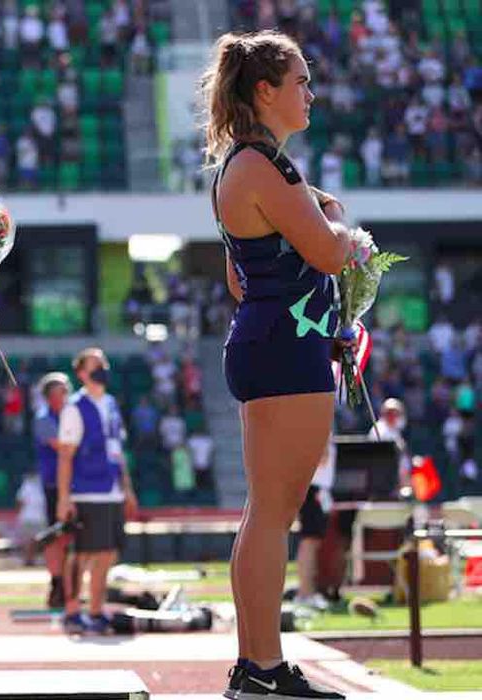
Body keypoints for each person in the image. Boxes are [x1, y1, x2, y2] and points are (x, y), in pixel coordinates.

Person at [201, 30, 350, 699]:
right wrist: (342, 224)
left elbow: (239, 280)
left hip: (270, 339)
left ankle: (257, 664)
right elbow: (326, 251)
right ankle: (259, 667)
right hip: (283, 348)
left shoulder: (247, 165)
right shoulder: (260, 166)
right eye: (299, 83)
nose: (309, 94)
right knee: (270, 513)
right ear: (264, 91)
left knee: (265, 512)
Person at [56, 349, 137, 634]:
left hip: (112, 489)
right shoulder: (74, 407)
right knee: (81, 554)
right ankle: (72, 611)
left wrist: (127, 488)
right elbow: (65, 455)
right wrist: (64, 497)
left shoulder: (112, 404)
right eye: (95, 365)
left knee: (107, 554)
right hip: (86, 491)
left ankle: (95, 610)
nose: (102, 369)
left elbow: (118, 451)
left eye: (104, 363)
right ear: (81, 373)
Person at [32, 371, 71, 608]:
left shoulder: (72, 415)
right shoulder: (43, 419)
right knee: (56, 534)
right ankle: (57, 582)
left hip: (76, 484)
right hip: (54, 484)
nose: (65, 396)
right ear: (49, 397)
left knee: (72, 535)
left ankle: (69, 584)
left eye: (67, 391)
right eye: (60, 392)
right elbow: (65, 448)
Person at [295, 438, 334, 610]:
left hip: (317, 489)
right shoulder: (317, 426)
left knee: (312, 543)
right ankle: (305, 593)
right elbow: (321, 458)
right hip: (313, 489)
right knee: (308, 543)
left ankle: (307, 591)